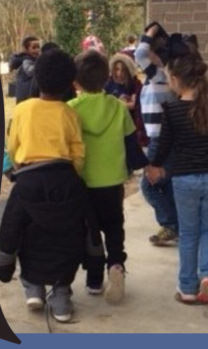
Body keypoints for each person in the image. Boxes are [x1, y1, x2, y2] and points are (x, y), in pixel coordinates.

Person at [0, 48, 95, 324]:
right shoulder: (69, 113)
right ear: (68, 83)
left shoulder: (23, 110)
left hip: (28, 179)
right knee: (65, 235)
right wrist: (71, 176)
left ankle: (33, 287)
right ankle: (61, 297)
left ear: (37, 78)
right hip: (65, 179)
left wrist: (18, 168)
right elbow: (78, 153)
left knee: (25, 232)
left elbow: (13, 147)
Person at [149, 53, 208, 305]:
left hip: (184, 179)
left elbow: (165, 144)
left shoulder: (172, 109)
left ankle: (188, 288)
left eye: (169, 78)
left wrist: (155, 166)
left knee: (189, 233)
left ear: (177, 79)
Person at [68, 50, 142, 304]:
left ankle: (94, 280)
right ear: (107, 77)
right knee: (113, 227)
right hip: (112, 182)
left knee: (90, 232)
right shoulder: (118, 107)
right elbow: (132, 145)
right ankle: (117, 266)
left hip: (83, 182)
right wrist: (146, 167)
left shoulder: (70, 110)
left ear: (75, 81)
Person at [134, 23, 180, 246]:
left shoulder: (159, 75)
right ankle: (176, 225)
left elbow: (139, 53)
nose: (147, 52)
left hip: (160, 140)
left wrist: (151, 30)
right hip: (165, 139)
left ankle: (170, 223)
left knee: (149, 184)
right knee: (166, 183)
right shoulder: (163, 77)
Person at [105, 53, 148, 147]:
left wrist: (115, 103)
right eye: (116, 69)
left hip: (130, 127)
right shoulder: (108, 83)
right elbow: (104, 105)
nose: (119, 73)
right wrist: (120, 103)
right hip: (112, 127)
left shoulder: (134, 84)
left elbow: (133, 105)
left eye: (123, 70)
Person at [9, 35, 41, 103]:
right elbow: (30, 71)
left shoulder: (33, 60)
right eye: (34, 48)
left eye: (38, 47)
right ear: (26, 49)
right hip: (26, 97)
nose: (37, 50)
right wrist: (42, 65)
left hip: (28, 97)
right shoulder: (26, 60)